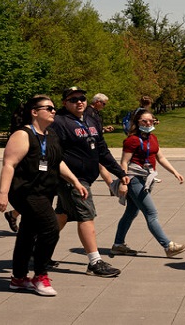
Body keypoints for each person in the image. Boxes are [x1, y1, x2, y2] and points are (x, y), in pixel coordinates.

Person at [0, 95, 87, 296]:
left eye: (54, 108)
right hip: (25, 192)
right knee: (51, 228)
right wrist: (2, 193)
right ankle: (40, 275)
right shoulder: (22, 135)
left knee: (28, 233)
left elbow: (57, 162)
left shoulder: (50, 134)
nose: (54, 111)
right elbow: (9, 164)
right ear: (35, 112)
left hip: (45, 192)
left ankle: (18, 278)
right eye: (49, 108)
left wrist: (75, 181)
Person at [50, 86, 129, 277]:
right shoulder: (59, 122)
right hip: (71, 179)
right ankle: (95, 262)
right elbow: (55, 154)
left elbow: (101, 149)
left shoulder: (91, 119)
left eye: (82, 98)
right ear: (64, 103)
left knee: (61, 216)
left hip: (86, 177)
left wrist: (119, 172)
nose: (79, 102)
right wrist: (71, 179)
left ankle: (36, 250)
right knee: (87, 215)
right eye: (73, 99)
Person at [110, 109, 185, 258]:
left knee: (131, 212)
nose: (148, 123)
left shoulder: (153, 138)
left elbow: (160, 157)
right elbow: (124, 162)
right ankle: (168, 246)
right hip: (134, 178)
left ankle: (118, 245)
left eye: (151, 121)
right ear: (137, 122)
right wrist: (123, 182)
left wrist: (175, 172)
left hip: (146, 178)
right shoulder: (132, 140)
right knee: (151, 213)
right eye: (144, 121)